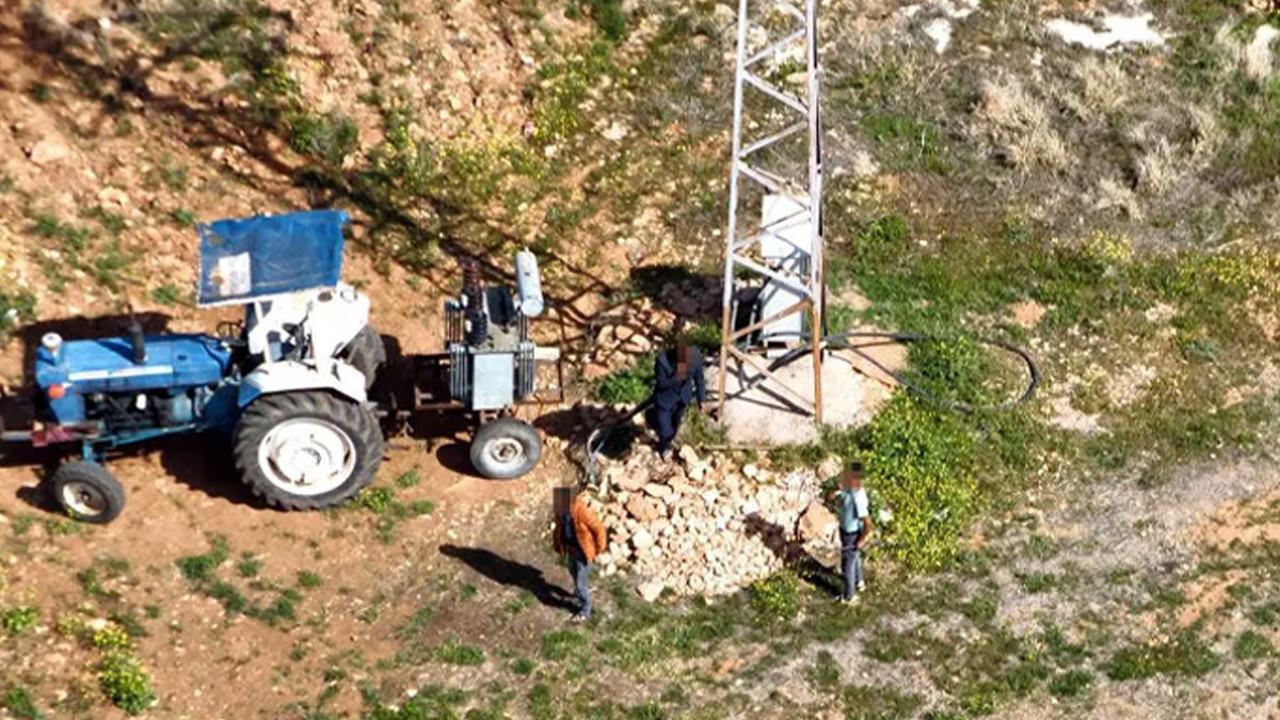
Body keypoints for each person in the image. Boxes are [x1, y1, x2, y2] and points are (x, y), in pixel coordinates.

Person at [652, 321, 706, 459]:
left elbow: (699, 379)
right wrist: (677, 376)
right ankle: (663, 447)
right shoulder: (662, 361)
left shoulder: (695, 357)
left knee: (674, 428)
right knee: (665, 431)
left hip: (682, 398)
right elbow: (661, 383)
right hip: (664, 399)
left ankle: (666, 440)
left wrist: (702, 399)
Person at [553, 485, 608, 622]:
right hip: (572, 550)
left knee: (580, 583)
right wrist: (558, 544)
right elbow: (559, 528)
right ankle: (579, 594)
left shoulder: (582, 511)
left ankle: (585, 609)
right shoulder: (561, 509)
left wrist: (599, 548)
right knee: (572, 571)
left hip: (583, 554)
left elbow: (599, 529)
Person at [834, 462, 873, 603]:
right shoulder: (848, 488)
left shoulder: (858, 498)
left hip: (852, 532)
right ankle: (859, 581)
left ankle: (849, 596)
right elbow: (833, 497)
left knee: (847, 564)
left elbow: (868, 523)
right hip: (845, 528)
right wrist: (835, 490)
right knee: (854, 558)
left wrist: (861, 540)